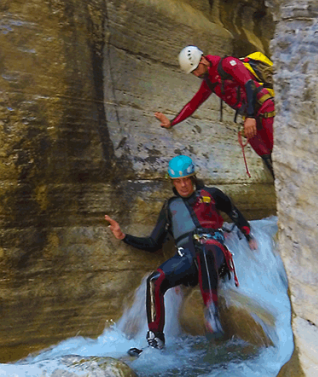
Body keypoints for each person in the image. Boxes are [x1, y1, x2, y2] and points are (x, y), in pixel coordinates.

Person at [104, 155, 258, 350]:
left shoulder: (211, 194)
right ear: (173, 182)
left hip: (213, 250)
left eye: (186, 179)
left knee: (204, 250)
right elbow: (153, 243)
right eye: (178, 181)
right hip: (186, 257)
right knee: (154, 281)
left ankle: (211, 314)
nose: (183, 185)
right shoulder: (170, 206)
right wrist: (123, 236)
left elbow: (233, 212)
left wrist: (248, 235)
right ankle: (155, 338)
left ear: (193, 177)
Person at [154, 46, 276, 176]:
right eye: (192, 72)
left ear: (203, 60)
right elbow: (193, 104)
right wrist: (171, 123)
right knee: (263, 152)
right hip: (251, 115)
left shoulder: (227, 64)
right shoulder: (209, 81)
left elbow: (249, 84)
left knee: (277, 149)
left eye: (196, 69)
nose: (196, 74)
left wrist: (251, 117)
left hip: (264, 107)